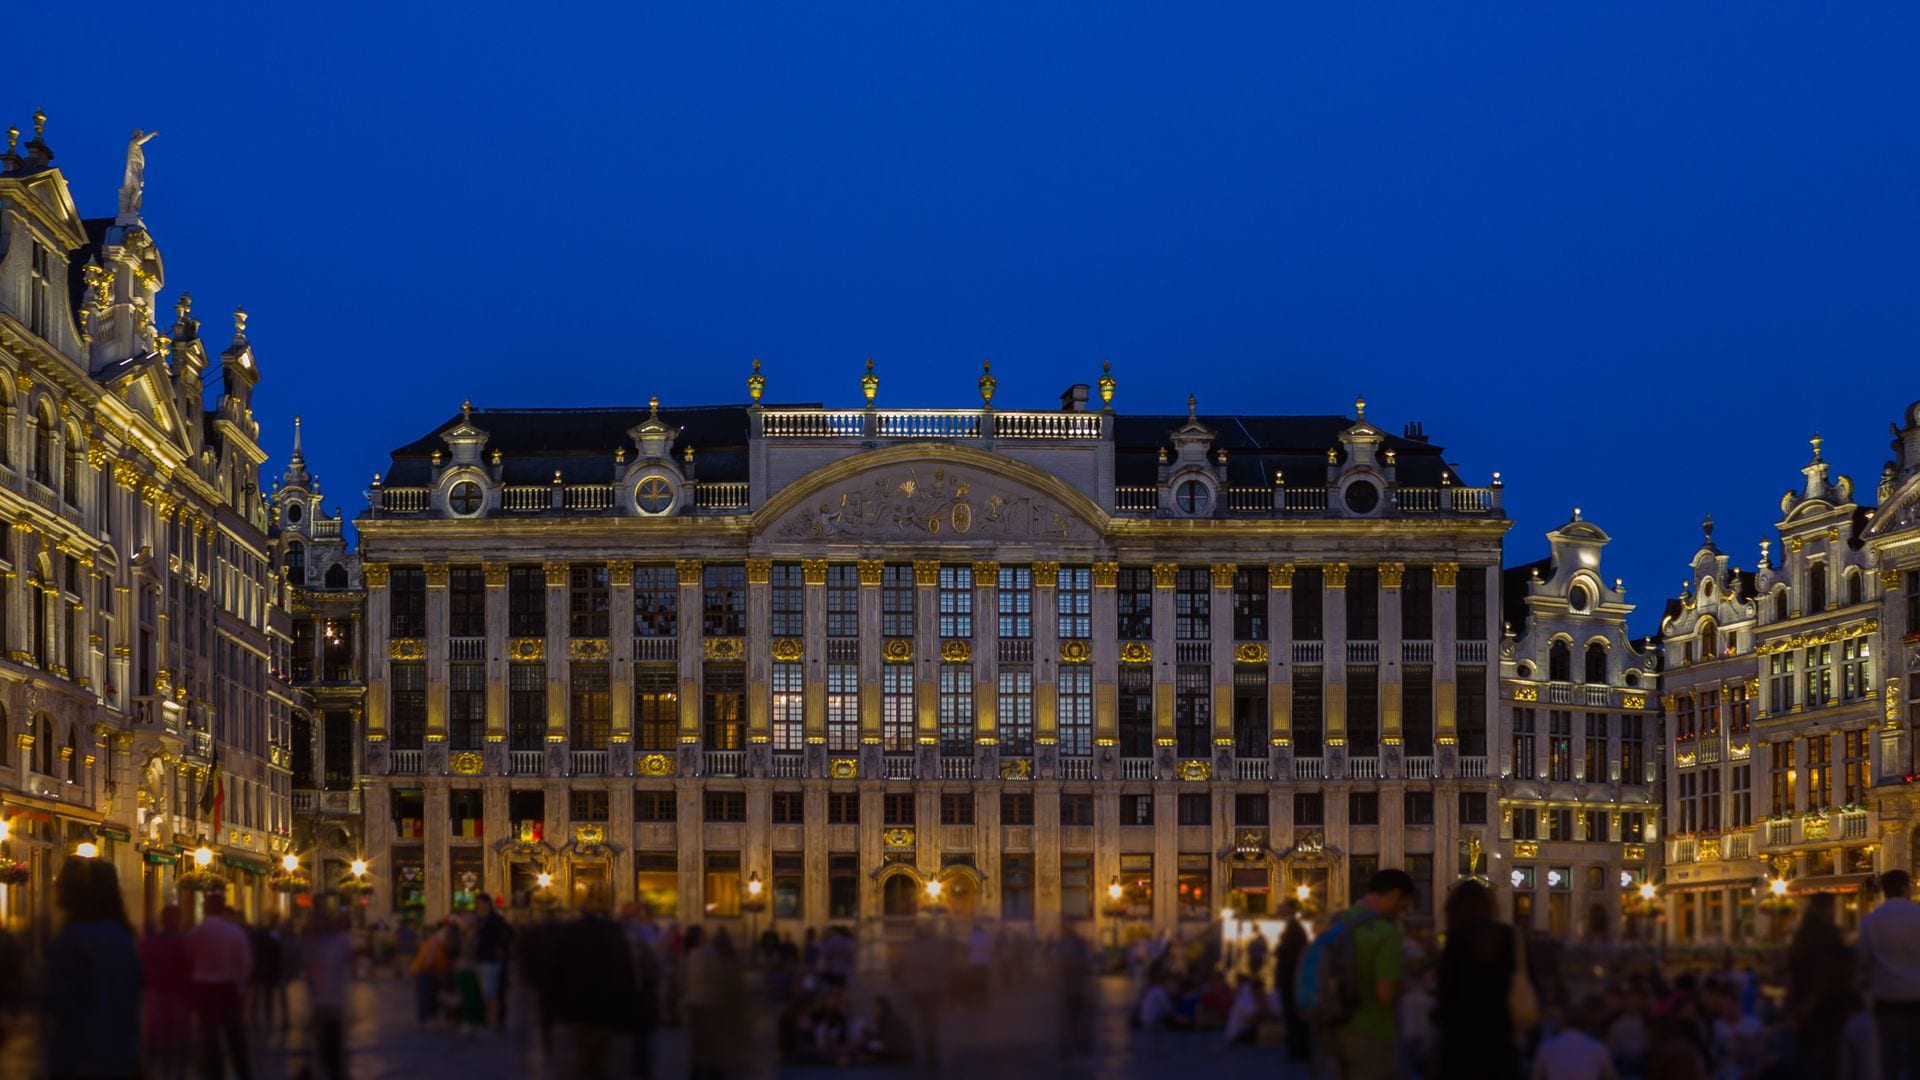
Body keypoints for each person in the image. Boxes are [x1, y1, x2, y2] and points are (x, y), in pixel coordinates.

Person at [44, 856, 142, 1080]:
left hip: (79, 1059)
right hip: (121, 1056)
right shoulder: (123, 937)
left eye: (62, 882)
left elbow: (58, 1002)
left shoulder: (73, 940)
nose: (56, 886)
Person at [1318, 867, 1416, 1080]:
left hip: (1337, 1029)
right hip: (1373, 1033)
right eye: (1403, 905)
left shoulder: (1338, 921)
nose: (1402, 911)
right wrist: (1404, 983)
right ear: (1395, 895)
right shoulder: (1385, 932)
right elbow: (1385, 993)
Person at [1434, 878, 1522, 1079]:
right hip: (1500, 1038)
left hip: (1460, 1042)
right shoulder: (1509, 936)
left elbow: (1446, 989)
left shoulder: (1456, 938)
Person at [1789, 892, 1859, 1078]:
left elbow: (1794, 969)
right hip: (1828, 1005)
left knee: (1811, 1059)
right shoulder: (1828, 934)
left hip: (1808, 1006)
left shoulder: (1802, 935)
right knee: (1829, 1059)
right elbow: (1835, 968)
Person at [1859, 869, 1920, 1079]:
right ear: (1905, 888)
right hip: (1917, 1000)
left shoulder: (1870, 921)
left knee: (1889, 1060)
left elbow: (1863, 963)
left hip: (1886, 1002)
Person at [188, 889, 254, 1080]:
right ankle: (243, 1072)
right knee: (235, 1036)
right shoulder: (234, 932)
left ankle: (215, 1072)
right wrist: (241, 985)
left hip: (204, 989)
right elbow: (246, 962)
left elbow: (189, 957)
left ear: (206, 908)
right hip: (228, 988)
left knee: (209, 1038)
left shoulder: (197, 933)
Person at [685, 926, 747, 1079]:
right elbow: (718, 976)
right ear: (699, 937)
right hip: (711, 1003)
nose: (707, 935)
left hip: (695, 1002)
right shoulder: (708, 954)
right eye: (704, 933)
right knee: (713, 1041)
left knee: (699, 1041)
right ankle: (713, 1071)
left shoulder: (691, 955)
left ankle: (697, 1071)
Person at [141, 904, 195, 1080]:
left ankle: (160, 1071)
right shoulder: (185, 942)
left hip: (158, 995)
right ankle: (177, 1072)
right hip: (178, 996)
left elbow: (143, 969)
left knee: (159, 1037)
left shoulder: (151, 942)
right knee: (178, 1037)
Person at [302, 909, 353, 1080]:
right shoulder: (311, 944)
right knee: (320, 1045)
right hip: (319, 1003)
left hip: (332, 1003)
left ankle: (334, 1071)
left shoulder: (338, 942)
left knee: (331, 1045)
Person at [898, 922, 954, 1069]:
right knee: (932, 1021)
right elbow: (946, 965)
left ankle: (920, 1047)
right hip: (935, 988)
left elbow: (902, 966)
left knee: (921, 1020)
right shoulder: (938, 947)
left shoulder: (910, 948)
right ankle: (931, 1051)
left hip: (917, 989)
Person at [1532, 997, 1618, 1080]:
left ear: (1562, 1022)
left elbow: (1536, 1077)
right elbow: (1611, 1076)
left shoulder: (1547, 1047)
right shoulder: (1598, 1048)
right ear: (1586, 1024)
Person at [1275, 898, 1310, 1062]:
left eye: (1282, 906)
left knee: (1293, 1015)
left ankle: (1298, 1050)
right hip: (1291, 977)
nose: (1279, 909)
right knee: (1293, 1015)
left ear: (1290, 909)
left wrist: (1279, 951)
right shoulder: (1293, 927)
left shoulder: (1294, 928)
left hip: (1290, 979)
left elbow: (1292, 955)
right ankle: (1298, 1049)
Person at [473, 894, 515, 1032]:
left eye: (479, 903)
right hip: (484, 958)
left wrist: (501, 948)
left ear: (487, 904)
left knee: (491, 992)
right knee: (488, 991)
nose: (477, 906)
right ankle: (491, 1019)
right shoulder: (482, 920)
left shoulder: (494, 919)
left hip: (491, 959)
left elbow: (510, 933)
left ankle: (494, 1020)